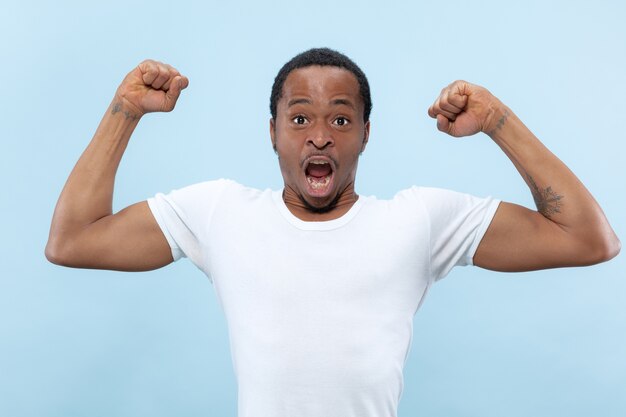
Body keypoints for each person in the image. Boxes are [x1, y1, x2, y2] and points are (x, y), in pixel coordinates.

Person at [46, 48, 620, 417]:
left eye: (340, 119)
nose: (319, 136)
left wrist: (497, 120)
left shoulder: (418, 221)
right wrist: (124, 109)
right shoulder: (220, 213)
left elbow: (588, 239)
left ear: (366, 134)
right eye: (300, 118)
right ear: (272, 132)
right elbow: (72, 241)